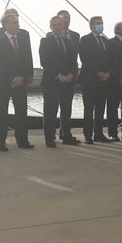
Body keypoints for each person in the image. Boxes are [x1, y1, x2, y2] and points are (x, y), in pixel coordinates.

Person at [0, 10, 34, 150]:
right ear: (6, 25)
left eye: (18, 23)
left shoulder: (22, 39)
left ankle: (22, 140)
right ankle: (0, 142)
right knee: (1, 112)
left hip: (21, 82)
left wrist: (24, 77)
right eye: (14, 23)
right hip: (4, 83)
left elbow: (27, 59)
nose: (17, 25)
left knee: (21, 112)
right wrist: (11, 80)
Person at [39, 15, 80, 147]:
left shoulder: (68, 42)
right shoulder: (45, 41)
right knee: (50, 110)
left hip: (67, 81)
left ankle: (67, 135)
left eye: (59, 25)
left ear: (63, 26)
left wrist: (71, 75)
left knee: (66, 109)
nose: (57, 27)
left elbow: (73, 61)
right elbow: (45, 62)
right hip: (51, 81)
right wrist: (58, 75)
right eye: (54, 25)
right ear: (51, 27)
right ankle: (49, 138)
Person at [79, 15, 115, 143]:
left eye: (101, 23)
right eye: (97, 23)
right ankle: (88, 136)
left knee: (100, 109)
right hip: (90, 79)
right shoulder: (85, 39)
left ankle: (98, 134)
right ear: (91, 26)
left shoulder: (106, 41)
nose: (100, 25)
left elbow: (111, 59)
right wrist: (98, 73)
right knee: (89, 109)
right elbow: (85, 59)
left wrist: (108, 73)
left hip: (104, 80)